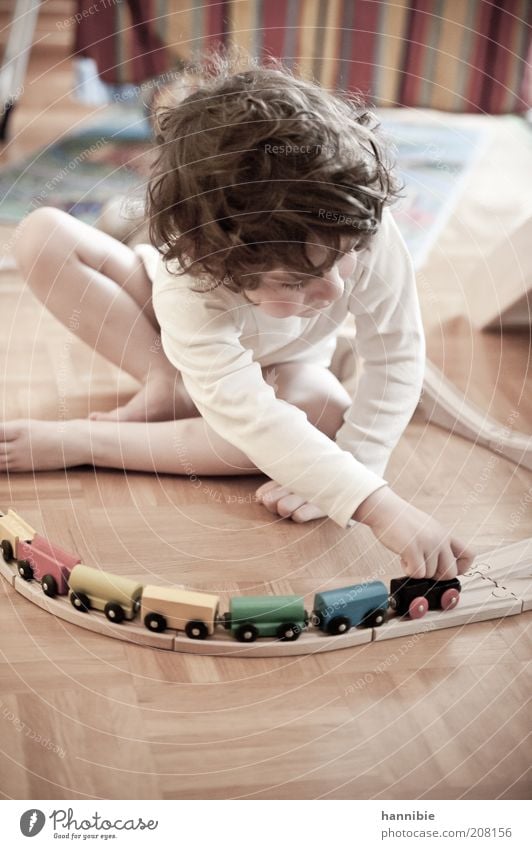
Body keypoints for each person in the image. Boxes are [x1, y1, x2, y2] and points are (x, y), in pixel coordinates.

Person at [5, 58, 475, 580]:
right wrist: (379, 507)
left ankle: (86, 440)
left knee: (323, 414)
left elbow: (396, 354)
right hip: (162, 330)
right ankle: (161, 385)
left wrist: (359, 469)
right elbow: (246, 414)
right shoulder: (192, 279)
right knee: (41, 233)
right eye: (295, 282)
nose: (335, 291)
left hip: (287, 365)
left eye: (345, 260)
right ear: (217, 265)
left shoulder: (357, 221)